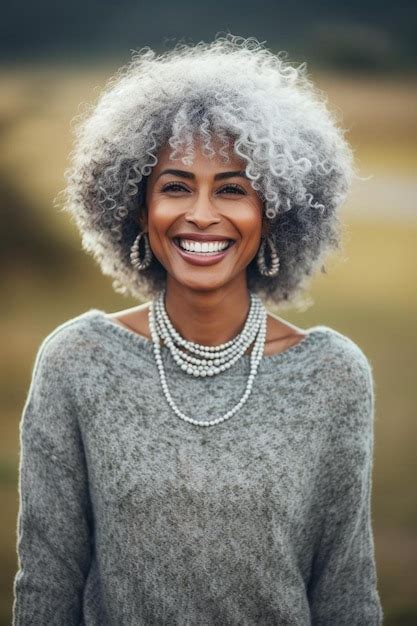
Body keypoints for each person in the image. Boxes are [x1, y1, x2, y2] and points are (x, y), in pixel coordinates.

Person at [12, 34, 383, 624]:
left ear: (274, 212)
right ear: (137, 208)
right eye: (176, 186)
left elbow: (345, 592)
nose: (202, 214)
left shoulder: (332, 375)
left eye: (232, 189)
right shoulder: (78, 361)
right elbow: (46, 588)